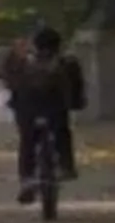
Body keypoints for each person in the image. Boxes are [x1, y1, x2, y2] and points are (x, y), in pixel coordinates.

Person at [7, 23, 88, 199]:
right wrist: (77, 103)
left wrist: (14, 103)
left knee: (27, 141)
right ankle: (66, 166)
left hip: (28, 110)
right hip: (55, 109)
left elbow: (11, 84)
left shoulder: (24, 62)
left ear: (35, 44)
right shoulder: (67, 62)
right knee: (62, 133)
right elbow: (77, 89)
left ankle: (27, 177)